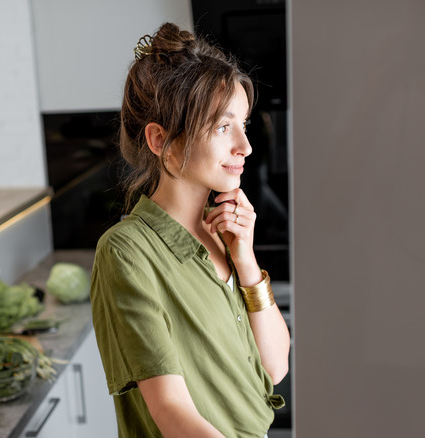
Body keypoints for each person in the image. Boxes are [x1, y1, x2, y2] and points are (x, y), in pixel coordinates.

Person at [90, 22, 290, 438]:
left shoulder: (223, 235)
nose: (245, 146)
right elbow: (171, 412)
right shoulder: (126, 253)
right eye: (222, 127)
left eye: (244, 125)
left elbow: (275, 367)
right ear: (161, 140)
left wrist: (246, 261)